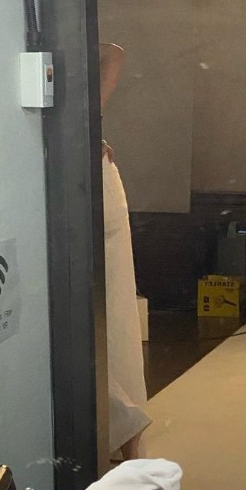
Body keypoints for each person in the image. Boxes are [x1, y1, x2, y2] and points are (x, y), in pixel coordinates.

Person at [100, 43, 152, 461]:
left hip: (89, 175)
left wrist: (84, 128)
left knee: (107, 314)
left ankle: (124, 426)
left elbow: (112, 54)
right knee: (107, 315)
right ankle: (124, 427)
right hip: (89, 173)